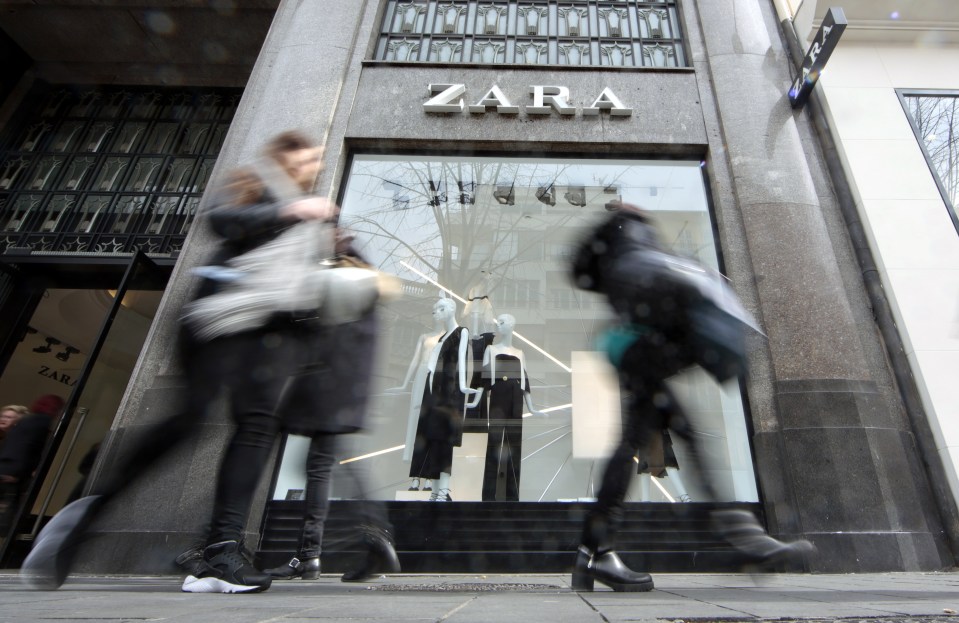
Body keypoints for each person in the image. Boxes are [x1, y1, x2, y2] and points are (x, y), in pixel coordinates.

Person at [19, 131, 338, 594]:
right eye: (309, 155)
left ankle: (222, 550)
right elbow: (221, 222)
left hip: (267, 333)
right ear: (285, 155)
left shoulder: (309, 210)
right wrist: (290, 210)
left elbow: (301, 283)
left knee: (256, 427)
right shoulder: (257, 186)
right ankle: (83, 516)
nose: (315, 164)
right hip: (216, 322)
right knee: (189, 423)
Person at [568, 200, 813, 592]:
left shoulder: (631, 245)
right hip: (635, 347)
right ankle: (740, 538)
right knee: (668, 435)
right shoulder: (628, 231)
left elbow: (594, 276)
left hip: (630, 346)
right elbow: (612, 278)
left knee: (653, 438)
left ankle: (593, 553)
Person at [263, 233, 400, 583]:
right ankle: (321, 552)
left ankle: (364, 539)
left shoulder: (344, 281)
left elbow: (318, 334)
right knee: (321, 465)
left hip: (329, 390)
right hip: (339, 391)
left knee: (322, 467)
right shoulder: (361, 287)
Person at [405, 298, 479, 502]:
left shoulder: (460, 332)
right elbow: (431, 366)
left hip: (449, 393)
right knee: (432, 438)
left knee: (444, 440)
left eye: (441, 308)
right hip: (433, 395)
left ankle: (444, 490)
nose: (436, 312)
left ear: (452, 309)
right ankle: (436, 490)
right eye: (434, 310)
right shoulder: (441, 338)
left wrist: (463, 386)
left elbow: (462, 360)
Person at [478, 314, 544, 501]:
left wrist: (531, 408)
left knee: (514, 446)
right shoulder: (491, 349)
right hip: (498, 395)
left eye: (502, 322)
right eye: (498, 322)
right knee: (495, 445)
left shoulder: (520, 353)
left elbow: (524, 381)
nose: (498, 325)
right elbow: (483, 378)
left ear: (512, 326)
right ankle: (488, 496)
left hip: (516, 399)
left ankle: (513, 496)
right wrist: (475, 401)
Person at [0, 396, 63, 534]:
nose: (3, 419)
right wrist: (17, 472)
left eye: (9, 417)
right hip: (11, 473)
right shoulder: (40, 423)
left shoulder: (25, 426)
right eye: (3, 416)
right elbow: (26, 449)